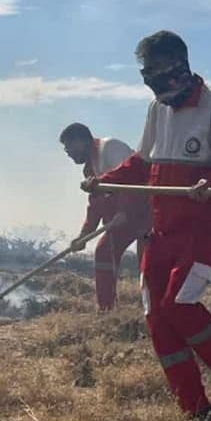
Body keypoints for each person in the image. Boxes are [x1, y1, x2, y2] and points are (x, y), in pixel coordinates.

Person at [83, 31, 211, 421]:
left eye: (159, 72)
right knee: (157, 321)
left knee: (178, 306)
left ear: (180, 64)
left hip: (198, 228)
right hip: (158, 232)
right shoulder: (156, 109)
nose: (154, 82)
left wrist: (209, 183)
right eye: (147, 75)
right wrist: (104, 180)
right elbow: (142, 163)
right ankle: (197, 413)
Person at [60, 123, 152, 311]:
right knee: (104, 252)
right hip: (123, 220)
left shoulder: (110, 147)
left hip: (148, 213)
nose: (68, 153)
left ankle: (153, 310)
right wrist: (83, 236)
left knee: (148, 264)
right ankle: (107, 310)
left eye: (69, 147)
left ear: (80, 141)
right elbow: (96, 206)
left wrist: (124, 211)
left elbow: (131, 179)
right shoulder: (90, 171)